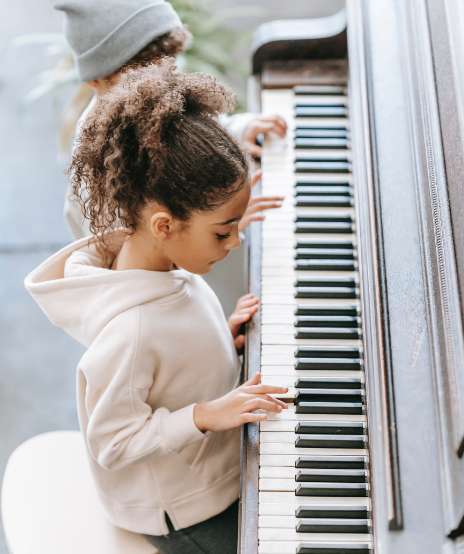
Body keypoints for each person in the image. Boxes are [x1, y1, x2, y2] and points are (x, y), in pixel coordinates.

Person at [25, 60, 288, 553]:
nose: (235, 243)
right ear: (165, 225)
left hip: (209, 471)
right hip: (184, 508)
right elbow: (113, 442)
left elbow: (173, 348)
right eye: (223, 231)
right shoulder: (131, 331)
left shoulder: (166, 263)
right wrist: (205, 414)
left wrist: (218, 341)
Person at [52, 0, 287, 241]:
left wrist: (238, 130)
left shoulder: (156, 96)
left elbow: (194, 128)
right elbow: (132, 264)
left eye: (169, 60)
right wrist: (224, 230)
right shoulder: (99, 168)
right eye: (143, 70)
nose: (161, 78)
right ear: (96, 80)